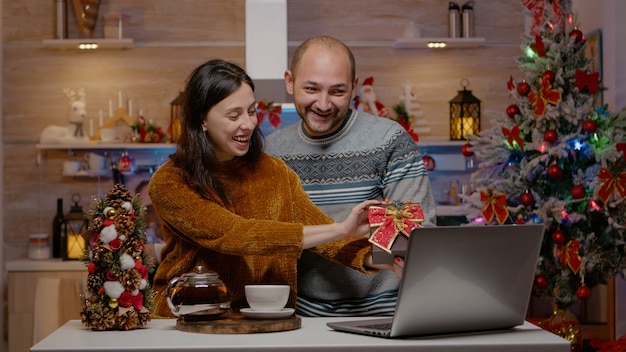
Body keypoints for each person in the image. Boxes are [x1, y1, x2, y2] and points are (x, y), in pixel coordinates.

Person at [148, 58, 394, 317]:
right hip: (186, 319)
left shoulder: (275, 172)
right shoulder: (171, 181)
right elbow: (236, 235)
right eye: (234, 115)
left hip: (270, 319)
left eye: (252, 111)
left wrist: (383, 258)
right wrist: (341, 228)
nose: (249, 124)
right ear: (202, 120)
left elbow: (322, 236)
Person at [265, 36, 437, 317]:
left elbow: (414, 231)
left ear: (354, 87)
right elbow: (270, 238)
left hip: (385, 310)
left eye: (337, 91)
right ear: (289, 81)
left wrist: (406, 248)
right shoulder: (272, 152)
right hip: (301, 315)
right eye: (311, 88)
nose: (323, 104)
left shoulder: (388, 139)